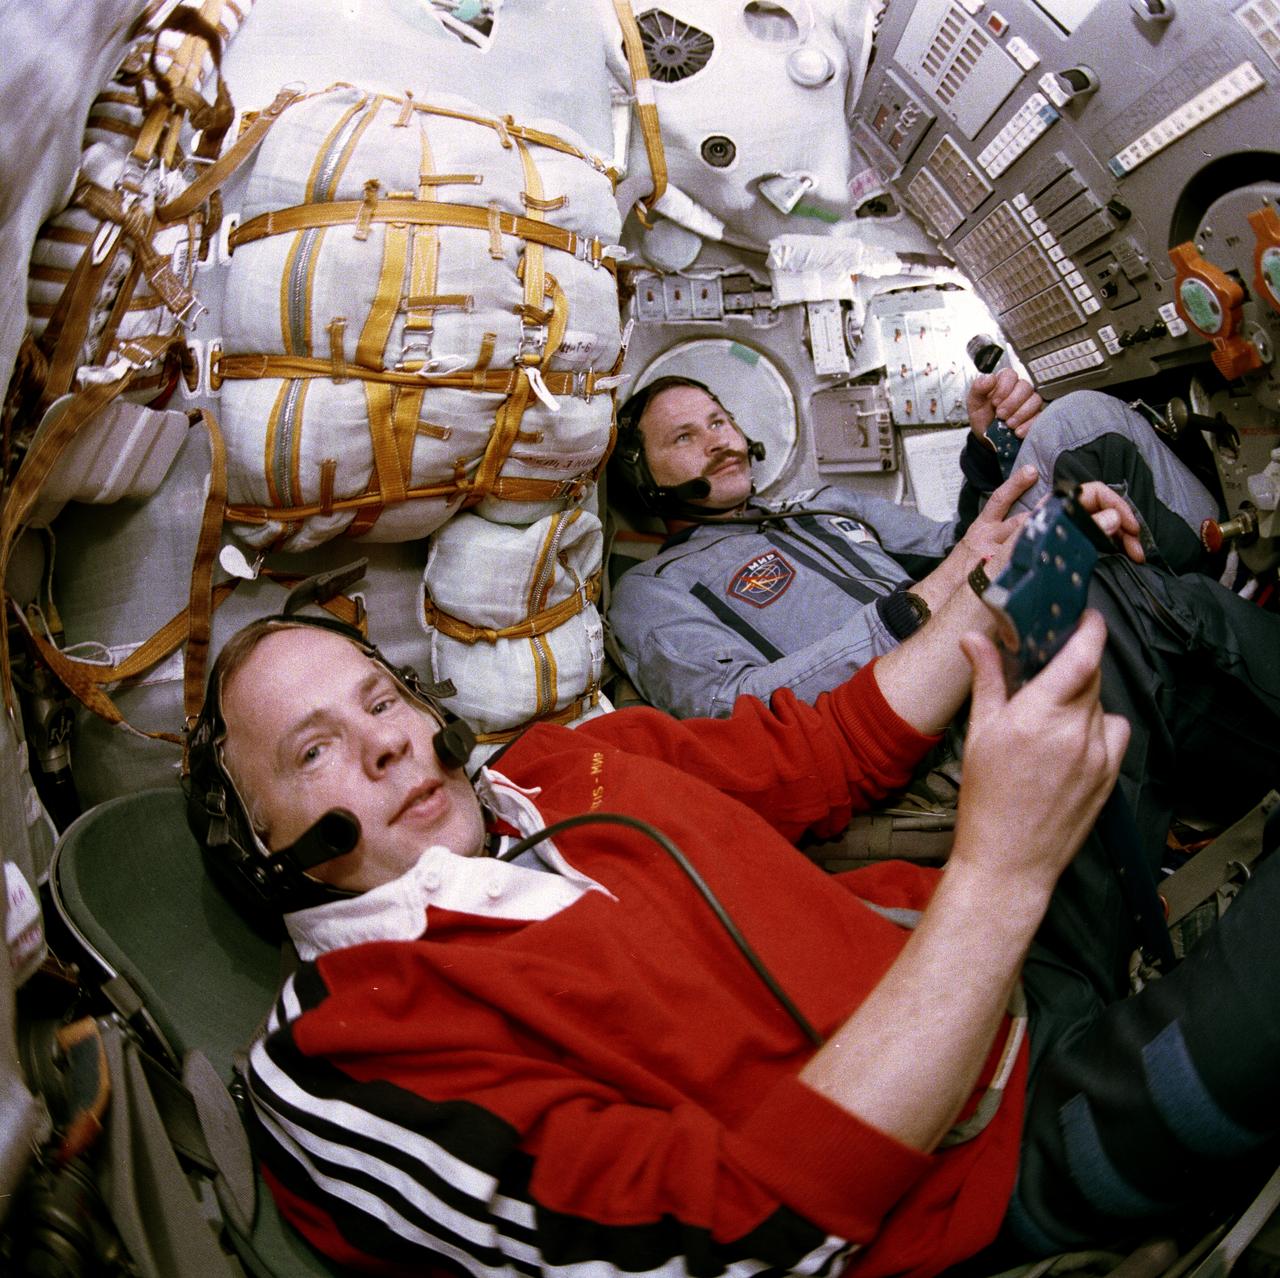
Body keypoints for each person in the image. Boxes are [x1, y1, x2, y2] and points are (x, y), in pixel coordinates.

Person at [185, 591, 1280, 1278]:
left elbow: (814, 754)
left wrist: (990, 600)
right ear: (255, 847)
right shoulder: (340, 1058)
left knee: (1118, 615)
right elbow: (730, 1244)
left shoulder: (556, 767)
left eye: (379, 701)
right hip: (968, 1177)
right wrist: (998, 873)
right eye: (312, 751)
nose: (381, 745)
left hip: (985, 962)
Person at [605, 374, 1218, 720]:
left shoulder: (825, 505)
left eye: (718, 420)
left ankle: (1221, 570)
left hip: (978, 606)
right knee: (1107, 587)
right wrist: (903, 617)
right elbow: (725, 710)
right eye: (684, 436)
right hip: (914, 695)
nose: (717, 440)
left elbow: (954, 547)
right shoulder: (654, 590)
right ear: (643, 479)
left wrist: (987, 452)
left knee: (1076, 420)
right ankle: (1182, 610)